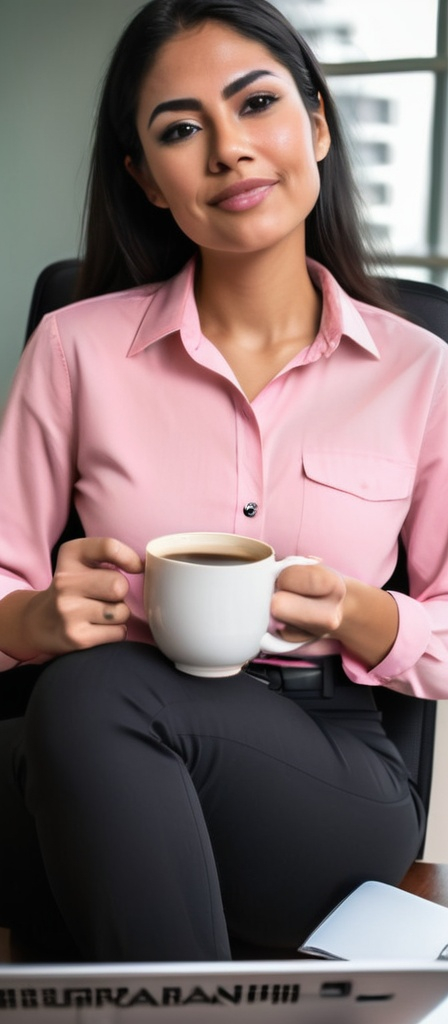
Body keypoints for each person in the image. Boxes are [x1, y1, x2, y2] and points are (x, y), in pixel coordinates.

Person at [0, 0, 447, 963]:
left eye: (255, 105)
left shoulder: (422, 369)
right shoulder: (73, 347)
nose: (230, 150)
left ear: (317, 125)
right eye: (180, 129)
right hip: (103, 743)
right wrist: (23, 622)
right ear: (145, 180)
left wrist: (355, 613)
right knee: (86, 707)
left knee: (85, 706)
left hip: (325, 770)